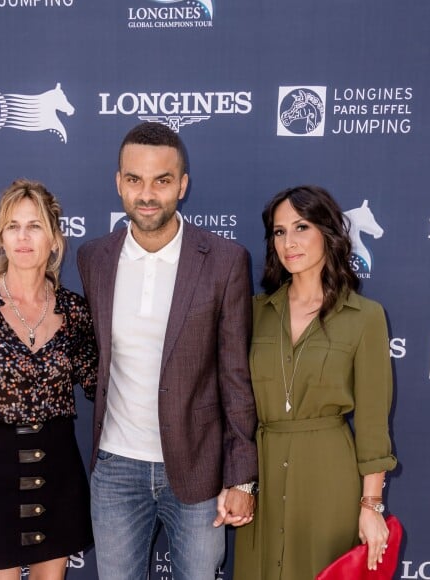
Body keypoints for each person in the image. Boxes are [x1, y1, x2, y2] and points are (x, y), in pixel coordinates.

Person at [77, 121, 258, 580]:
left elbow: (235, 376)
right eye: (134, 179)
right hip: (115, 470)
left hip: (197, 470)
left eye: (162, 180)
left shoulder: (224, 260)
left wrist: (240, 478)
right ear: (118, 182)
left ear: (183, 185)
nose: (147, 194)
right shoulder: (93, 258)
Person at [233, 185, 397, 580]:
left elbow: (374, 422)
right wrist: (238, 481)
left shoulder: (365, 317)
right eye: (279, 231)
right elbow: (232, 404)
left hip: (330, 478)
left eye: (301, 227)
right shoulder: (253, 313)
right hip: (263, 477)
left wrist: (371, 506)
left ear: (329, 232)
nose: (289, 242)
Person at [0, 179, 96, 580]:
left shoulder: (75, 311)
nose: (23, 237)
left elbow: (100, 385)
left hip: (59, 472)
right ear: (1, 237)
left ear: (55, 239)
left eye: (35, 225)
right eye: (13, 226)